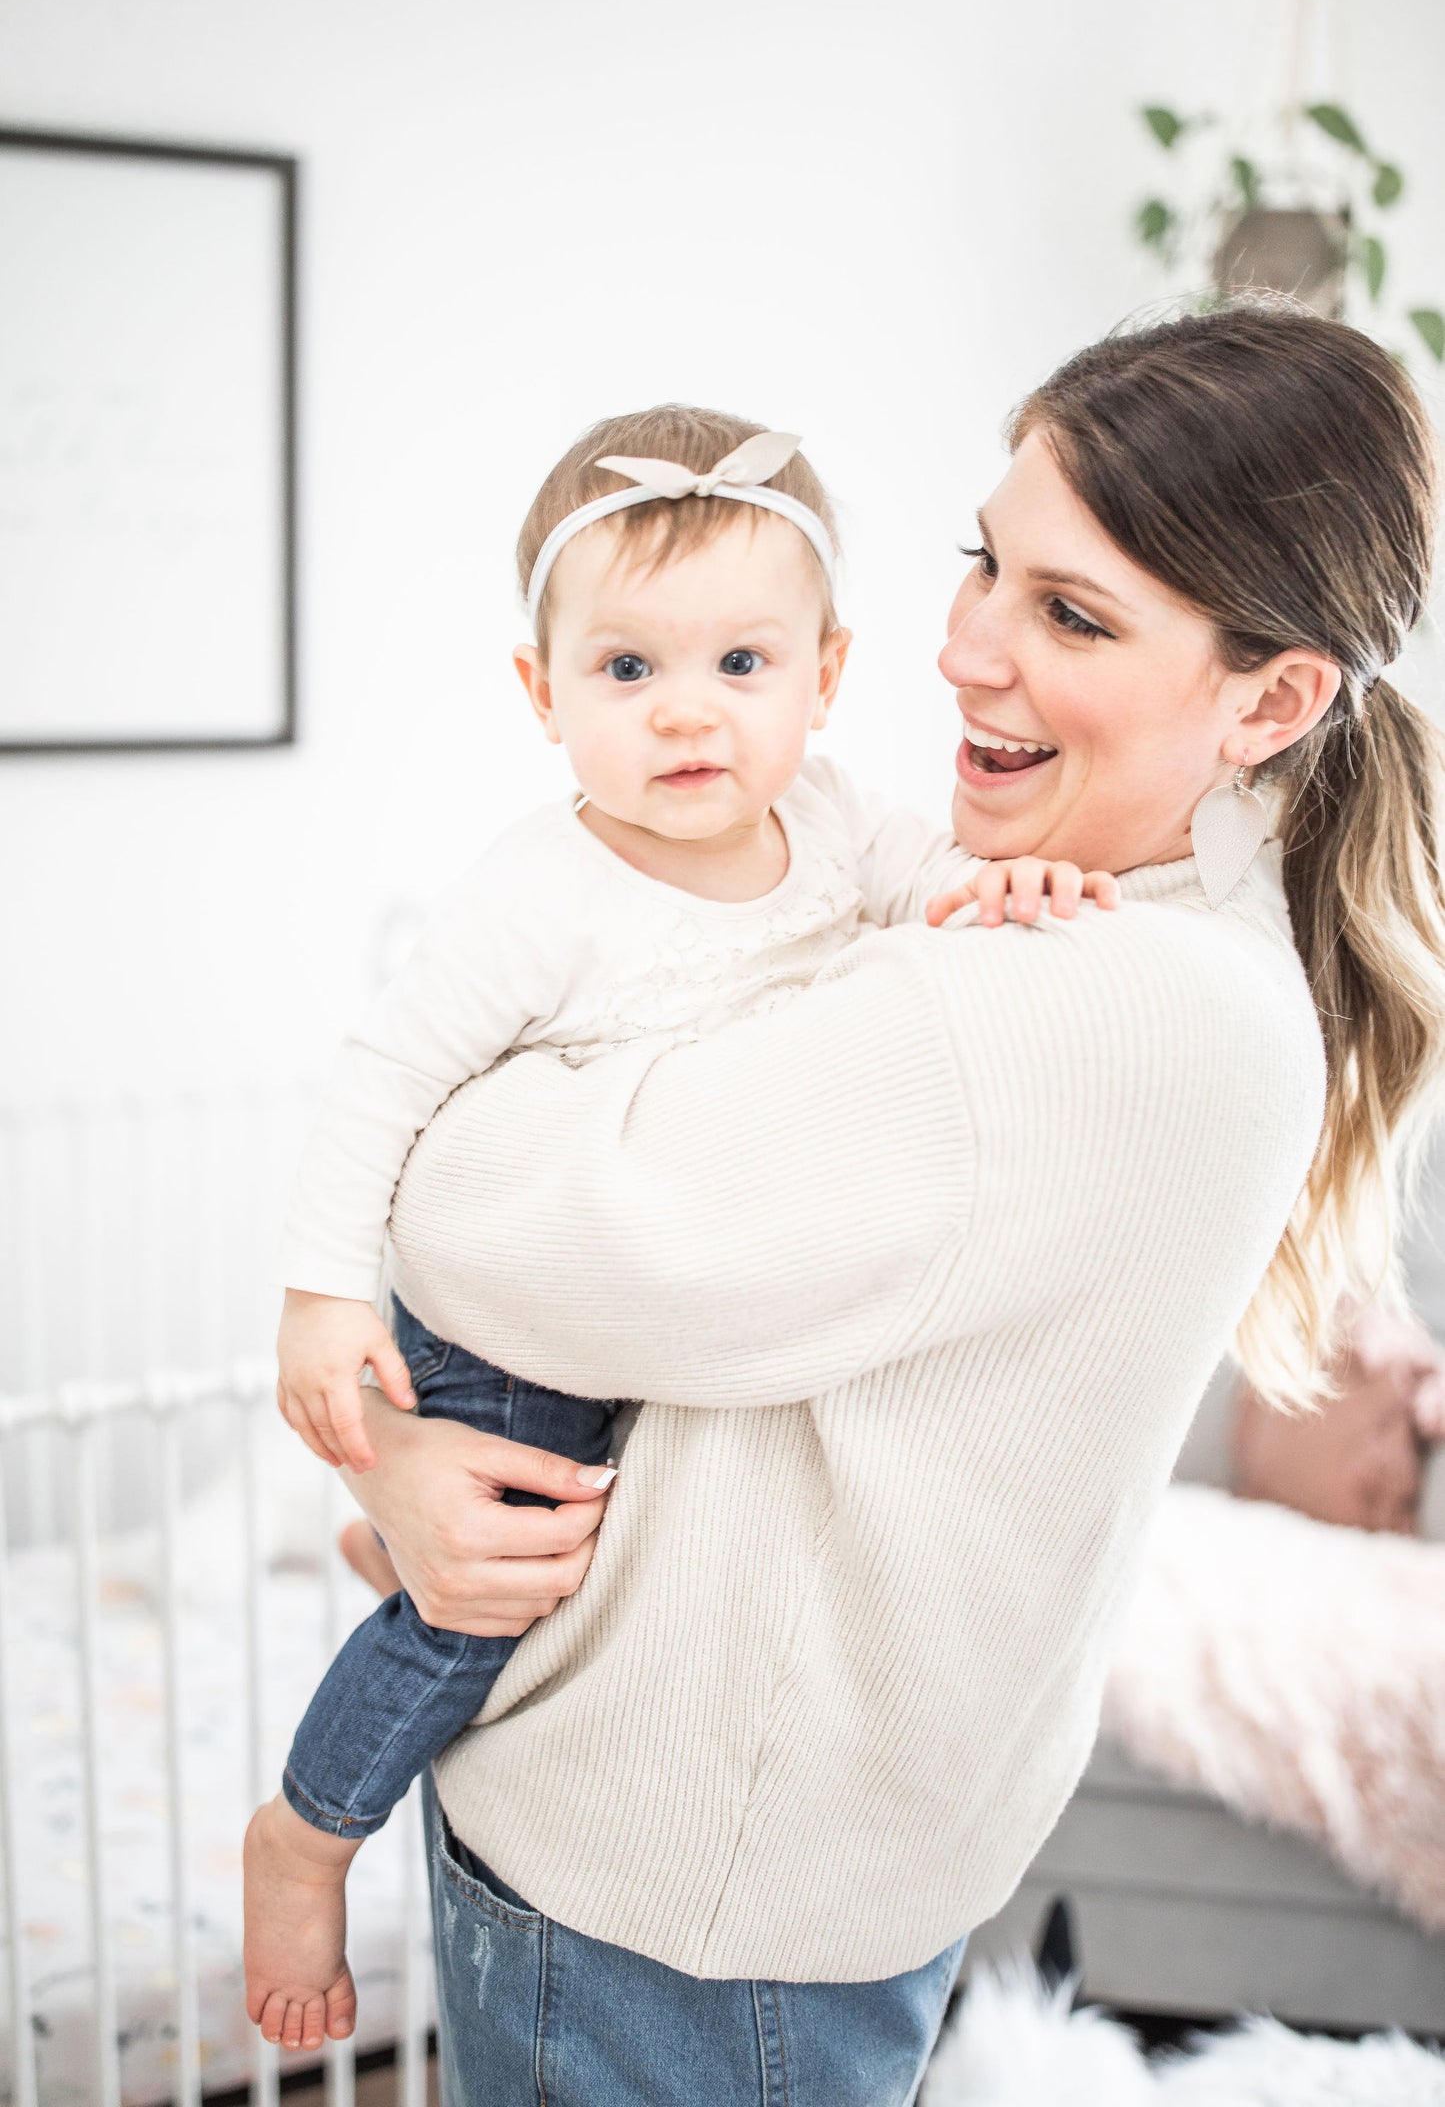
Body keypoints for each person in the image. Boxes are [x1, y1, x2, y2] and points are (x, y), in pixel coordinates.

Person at [343, 304, 1445, 2106]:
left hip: (671, 1899)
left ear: (1270, 699)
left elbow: (466, 1215)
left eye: (1070, 616)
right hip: (773, 1881)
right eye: (983, 565)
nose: (961, 652)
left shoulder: (1058, 1006)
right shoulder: (1092, 917)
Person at [243, 406, 1110, 2050]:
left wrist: (1012, 889)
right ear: (541, 694)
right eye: (626, 671)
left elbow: (935, 880)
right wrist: (314, 1296)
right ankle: (305, 1833)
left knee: (640, 1565)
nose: (685, 715)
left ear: (825, 677)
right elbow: (383, 1085)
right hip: (520, 1330)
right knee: (482, 1609)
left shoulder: (843, 825)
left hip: (682, 1306)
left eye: (738, 664)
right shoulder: (535, 894)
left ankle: (390, 1568)